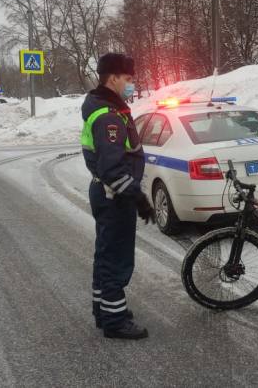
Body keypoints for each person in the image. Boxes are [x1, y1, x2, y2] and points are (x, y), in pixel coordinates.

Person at [81, 53, 156, 340]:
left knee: (105, 254)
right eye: (127, 79)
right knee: (116, 258)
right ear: (112, 77)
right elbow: (112, 168)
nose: (131, 84)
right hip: (114, 196)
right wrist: (138, 198)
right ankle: (115, 321)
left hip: (107, 193)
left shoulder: (106, 109)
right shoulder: (108, 117)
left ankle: (105, 310)